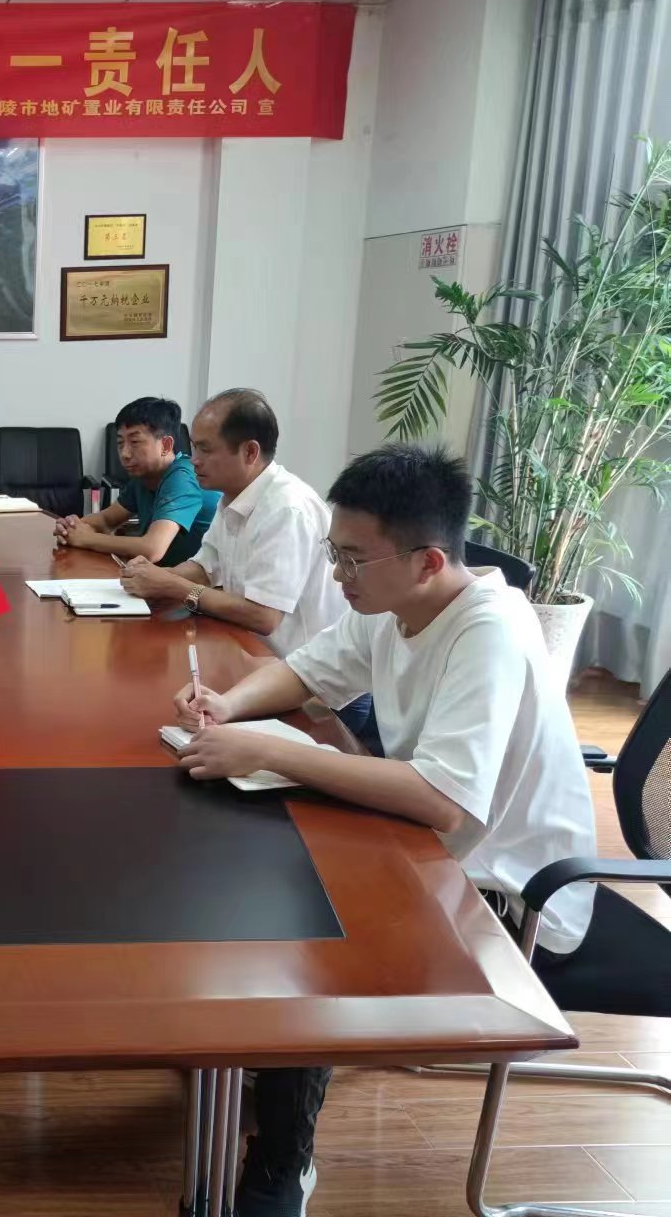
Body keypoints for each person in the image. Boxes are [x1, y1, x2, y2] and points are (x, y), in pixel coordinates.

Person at [171, 444, 597, 1217]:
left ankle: (283, 1158)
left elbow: (444, 801)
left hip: (509, 892)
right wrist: (230, 706)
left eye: (353, 559)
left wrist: (269, 750)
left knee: (315, 931)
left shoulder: (489, 630)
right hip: (433, 848)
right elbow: (307, 670)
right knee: (257, 856)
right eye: (334, 552)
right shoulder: (396, 605)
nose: (338, 574)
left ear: (428, 561)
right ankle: (249, 1048)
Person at [119, 389, 347, 656]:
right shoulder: (233, 494)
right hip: (251, 652)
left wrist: (172, 586)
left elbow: (263, 616)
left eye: (205, 449)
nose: (194, 460)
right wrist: (151, 577)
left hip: (304, 670)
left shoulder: (285, 509)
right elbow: (204, 568)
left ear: (250, 452)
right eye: (194, 447)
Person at [53, 397, 216, 566]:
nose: (125, 454)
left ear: (166, 445)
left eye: (135, 442)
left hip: (199, 580)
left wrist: (86, 539)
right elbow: (106, 520)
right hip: (163, 574)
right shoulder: (143, 476)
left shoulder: (182, 478)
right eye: (120, 443)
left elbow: (152, 549)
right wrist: (70, 527)